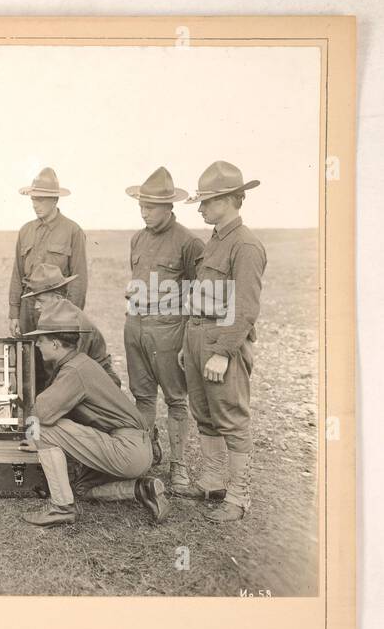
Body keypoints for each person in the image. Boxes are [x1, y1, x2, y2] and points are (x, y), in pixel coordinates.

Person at [21, 307, 169, 528]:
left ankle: (61, 508)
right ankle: (142, 488)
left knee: (44, 429)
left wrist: (36, 439)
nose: (37, 345)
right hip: (136, 448)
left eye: (41, 339)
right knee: (81, 488)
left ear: (55, 344)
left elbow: (42, 412)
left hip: (126, 449)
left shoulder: (74, 371)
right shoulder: (81, 362)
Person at [177, 161, 267, 522]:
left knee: (231, 417)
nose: (200, 208)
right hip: (198, 337)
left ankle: (239, 497)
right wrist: (189, 343)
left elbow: (245, 309)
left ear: (231, 199)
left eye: (208, 201)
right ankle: (213, 481)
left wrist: (222, 353)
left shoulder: (245, 245)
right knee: (205, 414)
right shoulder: (216, 240)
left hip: (222, 343)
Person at [123, 167, 204, 493]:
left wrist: (188, 337)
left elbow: (202, 294)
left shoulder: (189, 242)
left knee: (175, 399)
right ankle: (146, 456)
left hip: (169, 328)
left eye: (151, 207)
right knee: (142, 395)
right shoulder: (138, 238)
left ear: (169, 206)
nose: (145, 212)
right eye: (141, 206)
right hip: (136, 325)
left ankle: (179, 465)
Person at [9, 167, 88, 338]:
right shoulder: (26, 231)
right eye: (33, 199)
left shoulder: (72, 231)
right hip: (27, 308)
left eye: (41, 199)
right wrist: (14, 313)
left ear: (55, 200)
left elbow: (78, 280)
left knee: (55, 358)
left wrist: (70, 316)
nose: (35, 204)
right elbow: (17, 274)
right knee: (28, 360)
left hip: (57, 308)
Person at [20, 264, 120, 389]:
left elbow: (71, 373)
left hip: (99, 384)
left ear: (58, 298)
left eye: (41, 301)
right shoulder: (55, 317)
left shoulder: (74, 324)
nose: (36, 306)